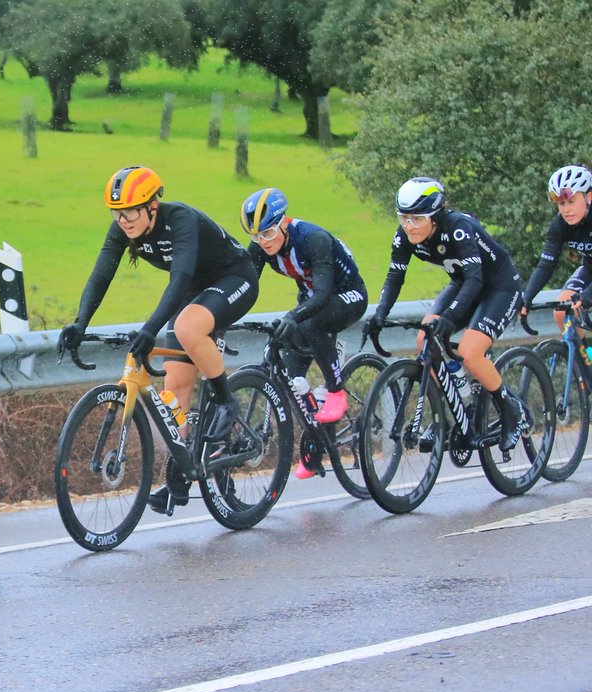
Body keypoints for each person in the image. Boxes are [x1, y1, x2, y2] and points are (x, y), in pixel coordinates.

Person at [58, 166, 259, 512]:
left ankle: (227, 399)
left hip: (234, 277)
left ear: (153, 206)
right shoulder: (124, 227)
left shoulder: (179, 220)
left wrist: (150, 328)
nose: (124, 220)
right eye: (117, 213)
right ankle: (181, 476)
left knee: (186, 328)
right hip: (197, 289)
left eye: (132, 211)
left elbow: (178, 280)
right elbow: (101, 274)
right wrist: (80, 322)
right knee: (176, 389)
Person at [365, 177, 527, 450]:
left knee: (470, 352)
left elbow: (476, 280)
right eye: (404, 218)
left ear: (435, 216)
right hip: (463, 285)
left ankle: (511, 411)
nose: (409, 225)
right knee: (424, 341)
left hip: (498, 287)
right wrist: (381, 311)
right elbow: (395, 276)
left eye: (417, 219)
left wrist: (450, 318)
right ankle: (455, 407)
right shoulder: (405, 234)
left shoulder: (459, 228)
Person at [240, 187, 368, 479]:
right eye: (257, 236)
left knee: (310, 324)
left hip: (346, 296)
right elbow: (245, 285)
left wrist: (293, 316)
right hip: (311, 304)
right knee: (288, 367)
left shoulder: (313, 239)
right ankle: (316, 439)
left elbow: (322, 294)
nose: (264, 242)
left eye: (269, 234)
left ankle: (336, 391)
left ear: (283, 222)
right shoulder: (262, 245)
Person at [520, 165, 592, 329]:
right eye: (561, 204)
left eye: (571, 202)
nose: (566, 210)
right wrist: (527, 297)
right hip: (589, 267)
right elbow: (546, 265)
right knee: (562, 312)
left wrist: (588, 295)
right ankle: (582, 354)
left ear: (589, 196)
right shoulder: (559, 224)